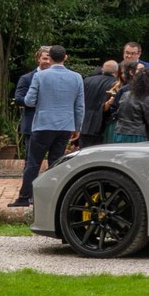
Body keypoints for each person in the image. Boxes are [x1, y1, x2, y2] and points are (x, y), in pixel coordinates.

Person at [15, 44, 85, 206]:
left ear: (50, 58)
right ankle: (53, 198)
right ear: (65, 57)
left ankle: (25, 197)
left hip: (43, 124)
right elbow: (80, 105)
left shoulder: (40, 76)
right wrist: (77, 127)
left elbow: (30, 101)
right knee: (56, 163)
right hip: (65, 125)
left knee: (33, 163)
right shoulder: (76, 77)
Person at [107, 65, 149, 141]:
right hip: (137, 134)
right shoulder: (148, 98)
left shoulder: (125, 94)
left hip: (120, 132)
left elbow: (118, 111)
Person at [77, 57, 118, 147]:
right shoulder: (115, 83)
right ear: (116, 71)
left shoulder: (87, 80)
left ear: (103, 70)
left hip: (84, 123)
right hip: (102, 125)